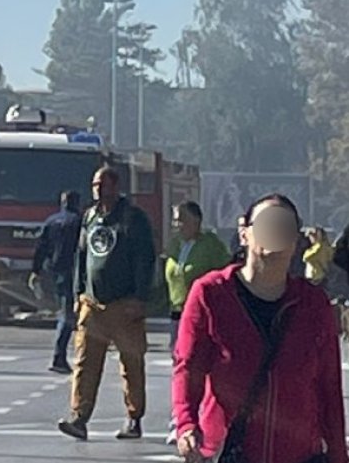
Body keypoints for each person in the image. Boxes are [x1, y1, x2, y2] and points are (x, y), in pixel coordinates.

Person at [174, 194, 347, 463]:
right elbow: (188, 367)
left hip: (299, 454)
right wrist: (187, 425)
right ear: (244, 234)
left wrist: (338, 455)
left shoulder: (313, 304)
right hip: (231, 452)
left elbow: (329, 388)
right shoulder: (211, 294)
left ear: (295, 241)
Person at [58, 166, 156, 441]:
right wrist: (78, 293)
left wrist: (140, 297)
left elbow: (145, 259)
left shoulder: (133, 218)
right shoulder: (89, 217)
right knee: (85, 363)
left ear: (116, 186)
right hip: (92, 304)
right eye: (95, 185)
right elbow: (81, 257)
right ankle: (79, 417)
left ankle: (134, 417)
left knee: (131, 363)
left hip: (124, 304)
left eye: (103, 184)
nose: (98, 190)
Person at [163, 201, 230, 445]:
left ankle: (208, 420)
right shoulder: (175, 245)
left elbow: (226, 276)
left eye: (181, 219)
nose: (177, 224)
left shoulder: (211, 245)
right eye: (175, 219)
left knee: (202, 367)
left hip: (205, 315)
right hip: (177, 313)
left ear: (196, 221)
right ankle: (180, 421)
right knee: (181, 366)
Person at [28, 190, 82, 375]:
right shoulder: (79, 222)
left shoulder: (51, 221)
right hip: (75, 272)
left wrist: (36, 270)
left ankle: (64, 355)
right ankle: (59, 356)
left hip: (56, 271)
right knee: (69, 315)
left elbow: (41, 248)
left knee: (65, 311)